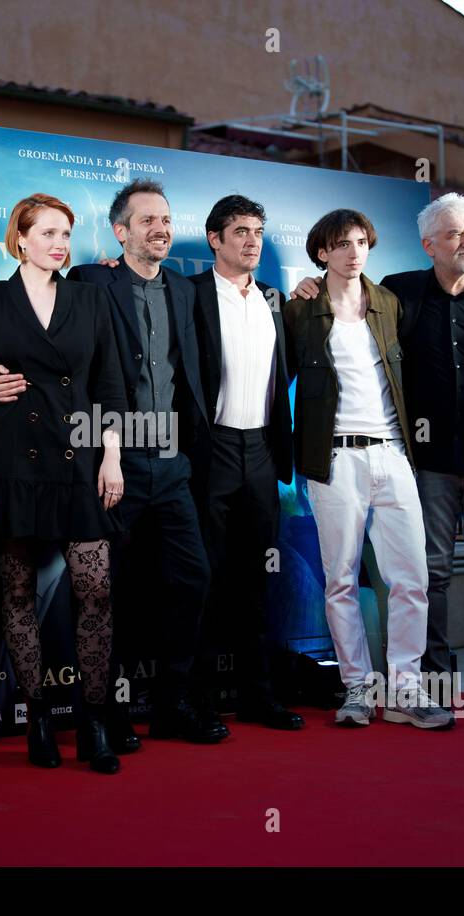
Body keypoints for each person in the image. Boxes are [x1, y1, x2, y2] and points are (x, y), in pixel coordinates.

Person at [293, 194, 464, 718]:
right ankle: (390, 681)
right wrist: (306, 289)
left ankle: (455, 682)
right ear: (430, 245)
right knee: (381, 575)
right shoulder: (370, 299)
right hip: (386, 460)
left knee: (457, 575)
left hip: (452, 462)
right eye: (453, 234)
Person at [0, 193, 127, 774]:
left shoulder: (91, 297)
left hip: (80, 460)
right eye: (50, 233)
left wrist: (112, 457)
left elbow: (110, 382)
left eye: (67, 233)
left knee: (96, 592)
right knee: (16, 594)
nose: (61, 244)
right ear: (21, 239)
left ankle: (94, 720)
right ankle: (36, 717)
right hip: (13, 462)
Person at [58, 178, 224, 745]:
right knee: (113, 591)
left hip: (173, 462)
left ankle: (173, 704)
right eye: (146, 220)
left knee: (191, 579)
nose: (160, 229)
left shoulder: (184, 289)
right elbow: (40, 315)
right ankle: (111, 710)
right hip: (114, 460)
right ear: (121, 231)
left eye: (165, 219)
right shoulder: (89, 281)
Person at [282, 209, 453, 730]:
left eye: (361, 242)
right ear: (321, 253)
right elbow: (274, 383)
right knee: (340, 579)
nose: (354, 252)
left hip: (394, 453)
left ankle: (405, 689)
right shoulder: (301, 311)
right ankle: (356, 688)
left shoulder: (388, 304)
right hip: (334, 458)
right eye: (341, 244)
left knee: (412, 579)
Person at [188, 195, 302, 730]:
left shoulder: (275, 302)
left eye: (257, 231)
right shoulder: (186, 294)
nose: (251, 240)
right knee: (205, 580)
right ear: (215, 240)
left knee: (257, 582)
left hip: (261, 452)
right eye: (239, 231)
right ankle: (203, 701)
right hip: (209, 451)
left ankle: (258, 696)